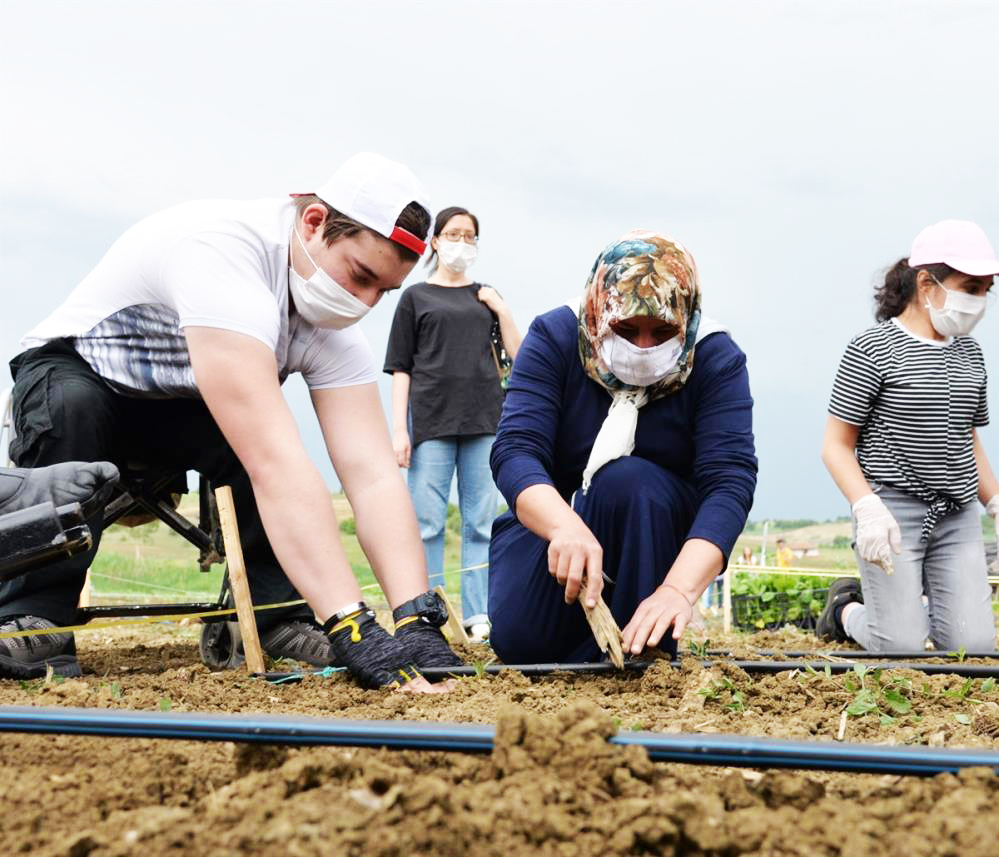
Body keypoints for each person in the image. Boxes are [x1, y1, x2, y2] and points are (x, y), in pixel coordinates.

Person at [0, 152, 463, 691]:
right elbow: (276, 465)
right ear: (314, 222)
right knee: (82, 410)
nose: (364, 303)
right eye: (360, 275)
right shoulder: (224, 253)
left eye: (383, 291)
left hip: (181, 405)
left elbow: (373, 475)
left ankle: (276, 617)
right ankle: (35, 617)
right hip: (80, 376)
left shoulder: (332, 327)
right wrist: (352, 623)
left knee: (253, 441)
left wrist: (414, 617)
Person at [487, 231, 757, 662]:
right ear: (598, 313)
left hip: (654, 527)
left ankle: (643, 643)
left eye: (662, 331)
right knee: (521, 644)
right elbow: (516, 449)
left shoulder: (715, 358)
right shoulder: (555, 337)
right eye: (627, 329)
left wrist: (678, 589)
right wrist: (563, 526)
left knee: (630, 481)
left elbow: (729, 482)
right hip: (553, 523)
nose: (644, 347)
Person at [818, 220, 999, 653]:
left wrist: (994, 502)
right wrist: (868, 509)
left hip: (955, 515)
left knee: (973, 649)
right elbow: (836, 446)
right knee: (900, 648)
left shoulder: (970, 353)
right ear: (926, 282)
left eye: (985, 290)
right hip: (892, 514)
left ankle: (914, 611)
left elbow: (967, 439)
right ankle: (845, 611)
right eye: (970, 287)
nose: (978, 301)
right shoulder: (871, 348)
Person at [385, 206, 521, 642]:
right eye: (453, 234)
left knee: (481, 522)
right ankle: (431, 612)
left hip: (484, 421)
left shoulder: (486, 297)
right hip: (431, 424)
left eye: (470, 236)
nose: (462, 242)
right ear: (436, 241)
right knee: (426, 523)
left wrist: (502, 309)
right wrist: (399, 429)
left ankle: (478, 614)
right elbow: (400, 367)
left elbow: (518, 356)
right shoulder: (416, 297)